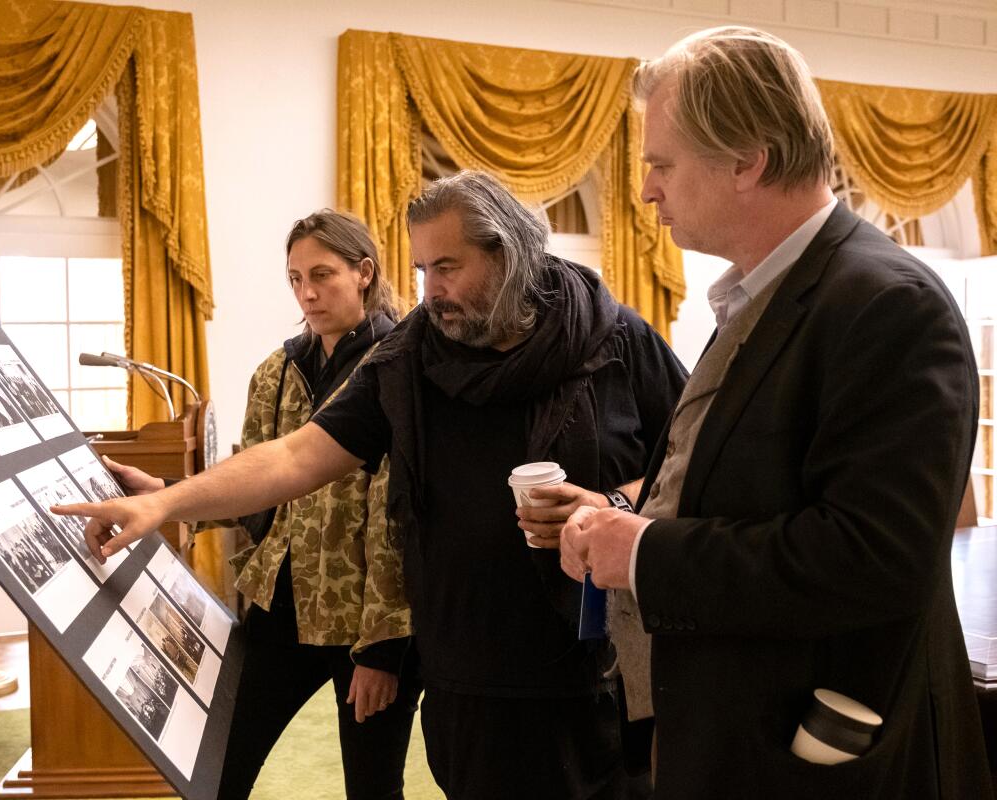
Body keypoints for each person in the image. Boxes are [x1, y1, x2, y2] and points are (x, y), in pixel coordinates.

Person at [56, 172, 688, 800]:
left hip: (593, 673)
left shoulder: (616, 340)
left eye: (447, 267)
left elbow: (691, 466)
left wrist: (614, 504)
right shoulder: (413, 357)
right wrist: (164, 501)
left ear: (509, 254)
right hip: (465, 674)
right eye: (421, 269)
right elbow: (294, 459)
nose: (430, 291)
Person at [558, 26, 993, 800]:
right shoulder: (765, 294)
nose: (647, 189)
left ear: (747, 160)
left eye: (661, 164)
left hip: (820, 760)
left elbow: (873, 557)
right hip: (735, 735)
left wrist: (647, 555)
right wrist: (624, 514)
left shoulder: (889, 304)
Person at [101, 210, 421, 800]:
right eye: (295, 277)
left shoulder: (404, 365)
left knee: (374, 789)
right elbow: (255, 485)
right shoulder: (278, 370)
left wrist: (385, 648)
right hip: (282, 606)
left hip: (369, 623)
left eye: (322, 275)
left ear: (365, 273)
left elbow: (402, 520)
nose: (307, 292)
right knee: (219, 771)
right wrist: (169, 500)